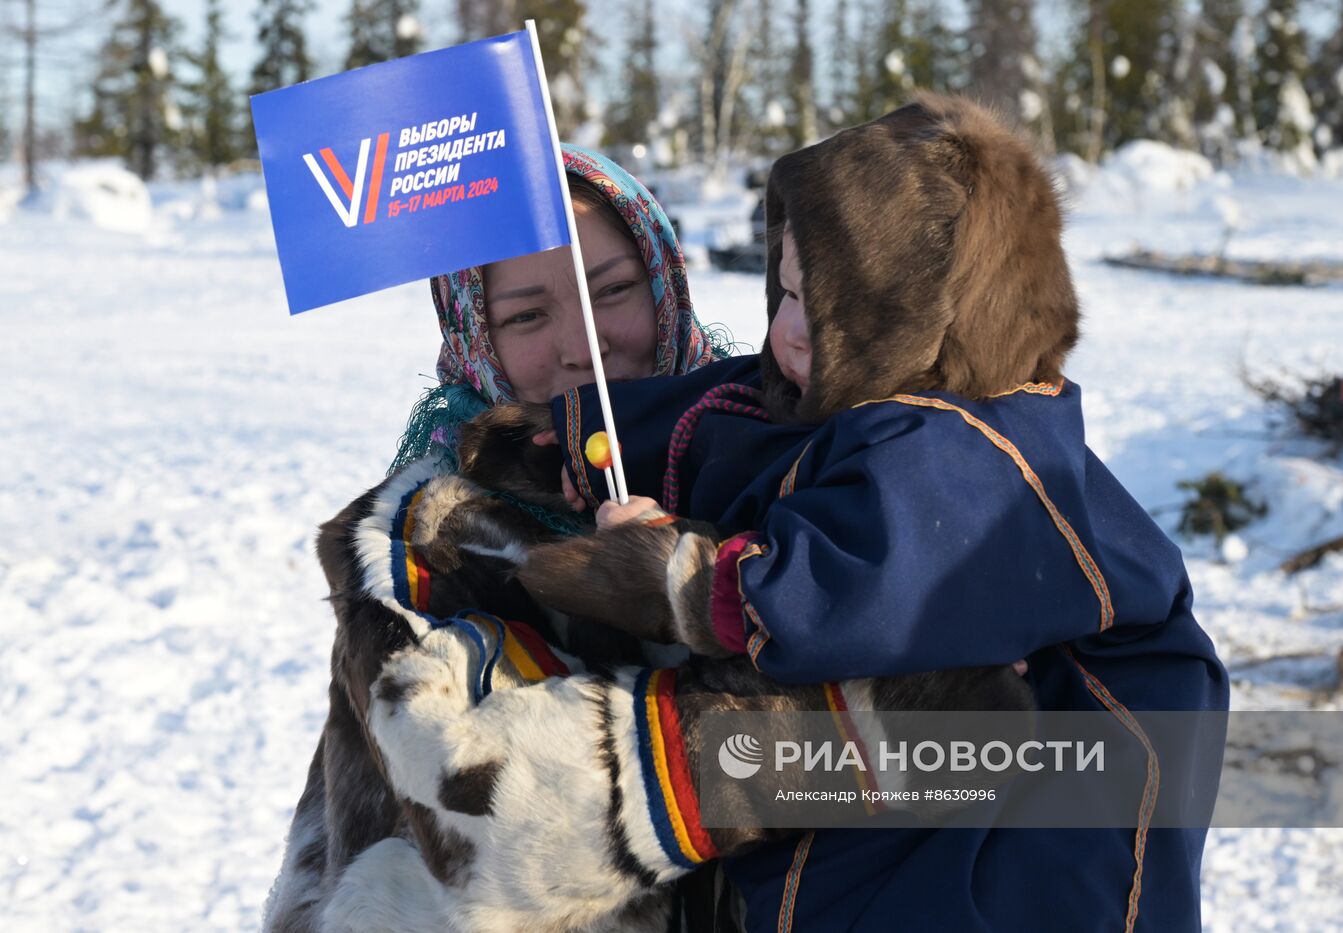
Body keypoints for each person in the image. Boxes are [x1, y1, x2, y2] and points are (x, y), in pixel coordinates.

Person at [507, 92, 1229, 931]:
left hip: (1050, 828)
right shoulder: (833, 392)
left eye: (840, 316)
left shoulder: (976, 446)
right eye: (784, 296)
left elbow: (860, 585)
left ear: (930, 321)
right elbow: (718, 409)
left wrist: (677, 576)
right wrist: (578, 434)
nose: (794, 334)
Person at [261, 144, 727, 933]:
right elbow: (507, 820)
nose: (584, 344)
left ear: (666, 283)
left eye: (613, 289)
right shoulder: (423, 547)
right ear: (475, 333)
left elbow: (968, 756)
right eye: (526, 316)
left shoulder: (768, 452)